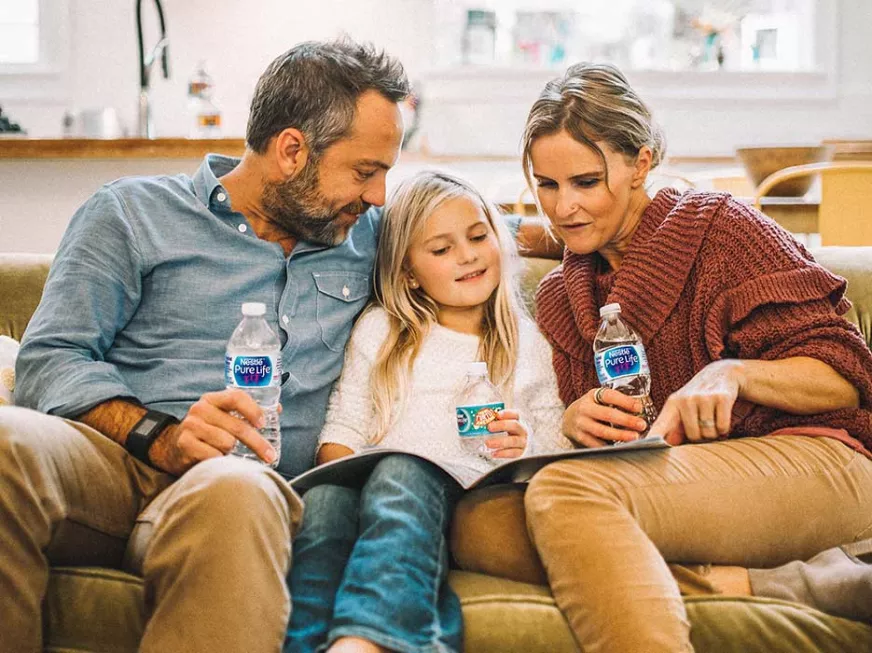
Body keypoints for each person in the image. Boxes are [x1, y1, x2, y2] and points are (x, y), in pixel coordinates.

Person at [0, 39, 410, 653]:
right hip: (115, 461)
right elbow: (48, 360)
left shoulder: (370, 233)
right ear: (292, 150)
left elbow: (479, 235)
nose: (378, 195)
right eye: (364, 171)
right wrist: (158, 436)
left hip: (242, 486)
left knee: (234, 491)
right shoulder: (131, 214)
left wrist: (564, 229)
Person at [453, 62, 872, 653]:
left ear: (640, 163)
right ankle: (790, 586)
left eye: (586, 182)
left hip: (818, 459)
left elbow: (847, 378)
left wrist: (732, 372)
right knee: (476, 522)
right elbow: (602, 436)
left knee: (567, 495)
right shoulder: (561, 296)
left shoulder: (723, 229)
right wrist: (574, 421)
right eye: (547, 185)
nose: (564, 208)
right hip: (682, 488)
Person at [284, 171, 573, 653]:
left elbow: (556, 443)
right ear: (409, 274)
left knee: (401, 470)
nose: (466, 255)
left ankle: (366, 642)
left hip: (471, 491)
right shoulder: (382, 330)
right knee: (325, 504)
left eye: (479, 236)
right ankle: (312, 644)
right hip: (378, 484)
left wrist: (527, 443)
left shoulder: (526, 344)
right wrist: (344, 472)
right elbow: (344, 423)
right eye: (441, 250)